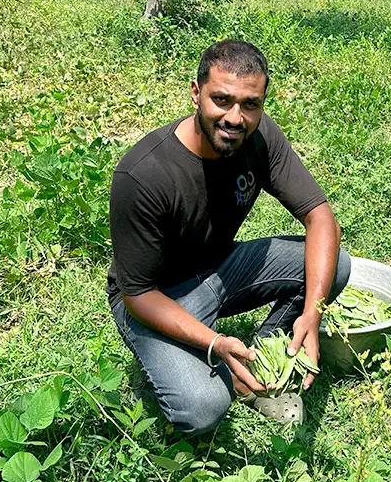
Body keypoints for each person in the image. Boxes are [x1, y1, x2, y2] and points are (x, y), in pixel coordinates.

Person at [106, 39, 351, 435]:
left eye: (250, 104)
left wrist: (313, 310)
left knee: (333, 265)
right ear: (195, 93)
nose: (235, 117)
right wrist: (214, 343)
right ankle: (210, 364)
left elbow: (321, 217)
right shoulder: (144, 175)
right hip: (156, 298)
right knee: (202, 409)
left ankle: (265, 355)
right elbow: (137, 294)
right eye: (221, 100)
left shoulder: (259, 138)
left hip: (220, 268)